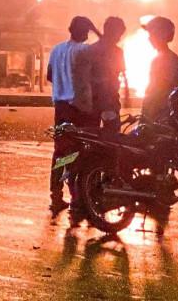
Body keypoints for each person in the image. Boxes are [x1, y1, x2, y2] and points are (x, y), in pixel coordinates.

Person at [47, 15, 99, 216]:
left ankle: (56, 195)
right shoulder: (86, 51)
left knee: (60, 152)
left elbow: (50, 76)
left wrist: (63, 82)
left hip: (60, 107)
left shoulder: (57, 49)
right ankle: (77, 197)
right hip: (78, 109)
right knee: (78, 153)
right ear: (84, 32)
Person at [88, 16, 128, 133]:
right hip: (109, 100)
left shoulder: (92, 49)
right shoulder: (117, 52)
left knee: (91, 132)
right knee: (112, 134)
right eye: (119, 34)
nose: (119, 38)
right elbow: (121, 73)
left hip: (93, 100)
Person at [141, 16, 178, 121]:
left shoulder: (166, 59)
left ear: (161, 35)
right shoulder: (164, 57)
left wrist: (148, 114)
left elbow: (161, 90)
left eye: (152, 35)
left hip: (159, 116)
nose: (149, 38)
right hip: (158, 113)